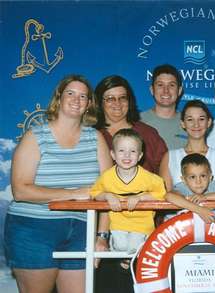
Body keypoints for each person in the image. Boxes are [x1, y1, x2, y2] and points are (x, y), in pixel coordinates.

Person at [4, 75, 112, 293]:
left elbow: (109, 190)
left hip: (83, 229)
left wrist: (102, 236)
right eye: (70, 93)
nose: (76, 99)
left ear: (89, 104)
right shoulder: (35, 136)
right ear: (58, 98)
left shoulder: (96, 138)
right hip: (34, 228)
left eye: (83, 96)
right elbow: (21, 191)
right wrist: (74, 194)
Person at [94, 75, 167, 293]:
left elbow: (164, 182)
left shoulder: (147, 134)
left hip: (143, 228)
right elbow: (99, 189)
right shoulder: (92, 135)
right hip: (103, 229)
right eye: (109, 99)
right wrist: (101, 236)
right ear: (99, 102)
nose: (117, 104)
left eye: (122, 98)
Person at [90, 129, 166, 268]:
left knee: (134, 247)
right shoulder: (107, 177)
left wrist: (140, 197)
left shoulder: (148, 177)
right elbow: (95, 193)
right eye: (121, 151)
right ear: (112, 154)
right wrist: (107, 196)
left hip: (142, 227)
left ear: (140, 155)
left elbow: (161, 193)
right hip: (118, 225)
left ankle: (131, 262)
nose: (127, 155)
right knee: (121, 246)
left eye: (132, 151)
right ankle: (126, 260)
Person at [159, 99, 215, 191]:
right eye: (190, 119)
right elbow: (165, 196)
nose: (196, 125)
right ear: (183, 123)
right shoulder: (170, 157)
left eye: (201, 119)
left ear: (209, 122)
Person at [165, 153, 215, 223]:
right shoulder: (183, 188)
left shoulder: (212, 187)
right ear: (184, 180)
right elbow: (169, 196)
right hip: (185, 233)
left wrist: (205, 197)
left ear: (210, 177)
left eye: (203, 176)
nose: (198, 181)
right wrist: (200, 210)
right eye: (192, 177)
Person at [141, 64, 187, 149]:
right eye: (160, 85)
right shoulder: (138, 122)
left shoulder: (190, 124)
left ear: (179, 91)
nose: (166, 91)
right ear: (152, 90)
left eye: (171, 85)